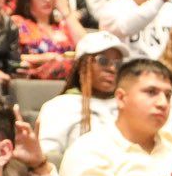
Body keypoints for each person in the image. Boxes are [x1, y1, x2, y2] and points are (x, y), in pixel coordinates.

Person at [59, 58, 172, 176]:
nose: (162, 103)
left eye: (168, 95)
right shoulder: (90, 150)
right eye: (151, 92)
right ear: (121, 98)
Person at [36, 31, 126, 164]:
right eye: (103, 61)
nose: (112, 68)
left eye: (118, 64)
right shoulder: (59, 106)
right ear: (82, 65)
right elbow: (47, 157)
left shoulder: (127, 104)